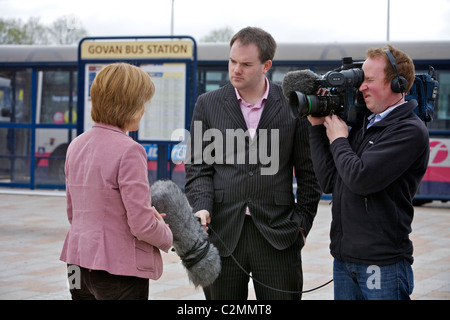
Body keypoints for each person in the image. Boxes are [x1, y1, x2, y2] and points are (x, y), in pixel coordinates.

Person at [185, 27, 321, 300]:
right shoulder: (207, 104)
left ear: (266, 65)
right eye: (232, 61)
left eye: (246, 64)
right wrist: (201, 206)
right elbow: (198, 168)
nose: (236, 69)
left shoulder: (293, 106)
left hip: (278, 236)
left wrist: (301, 226)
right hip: (222, 234)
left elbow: (310, 173)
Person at [307, 44, 430, 300]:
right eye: (361, 80)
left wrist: (339, 140)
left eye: (369, 80)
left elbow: (360, 179)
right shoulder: (366, 125)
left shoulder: (409, 130)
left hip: (382, 265)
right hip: (344, 261)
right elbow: (330, 182)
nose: (361, 87)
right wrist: (317, 129)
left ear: (397, 84)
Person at [60, 63, 173, 300]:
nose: (144, 111)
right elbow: (141, 225)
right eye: (143, 103)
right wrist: (168, 235)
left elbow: (74, 213)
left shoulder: (76, 145)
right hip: (116, 269)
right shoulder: (130, 151)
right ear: (129, 105)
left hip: (76, 263)